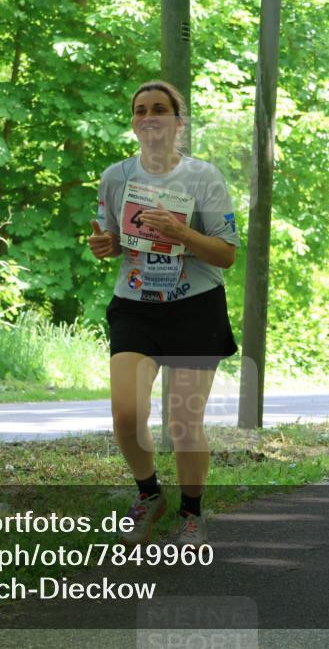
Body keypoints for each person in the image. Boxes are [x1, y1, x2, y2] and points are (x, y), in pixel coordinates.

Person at [88, 80, 239, 547]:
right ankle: (149, 493)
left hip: (194, 306)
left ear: (179, 122)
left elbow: (226, 253)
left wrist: (180, 234)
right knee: (126, 415)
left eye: (160, 109)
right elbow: (112, 239)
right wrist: (105, 245)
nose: (149, 117)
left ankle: (191, 512)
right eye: (140, 110)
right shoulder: (116, 177)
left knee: (182, 422)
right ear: (134, 123)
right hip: (135, 305)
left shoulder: (203, 178)